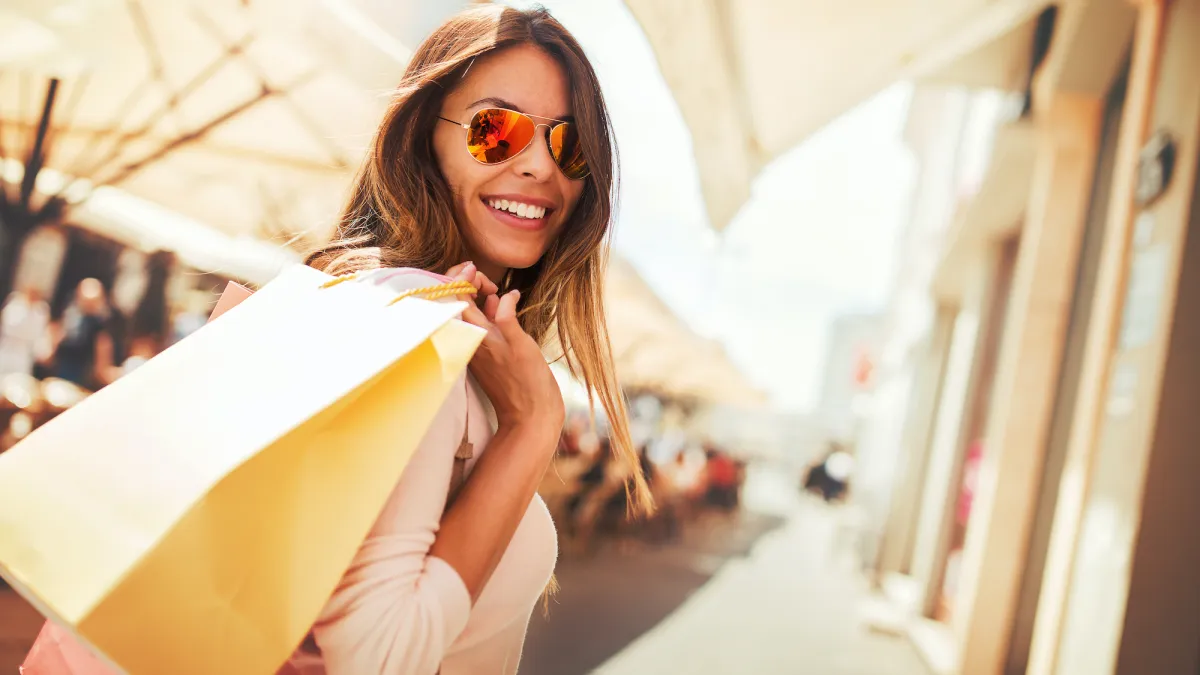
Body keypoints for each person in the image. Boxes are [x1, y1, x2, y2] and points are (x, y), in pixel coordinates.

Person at [293, 6, 652, 674]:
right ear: (428, 135)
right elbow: (375, 658)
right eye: (497, 130)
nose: (540, 167)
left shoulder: (462, 345)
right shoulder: (410, 326)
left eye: (570, 147)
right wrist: (534, 423)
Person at [47, 278, 118, 390]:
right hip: (59, 375)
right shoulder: (70, 317)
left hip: (80, 381)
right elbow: (56, 342)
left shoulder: (100, 327)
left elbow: (102, 361)